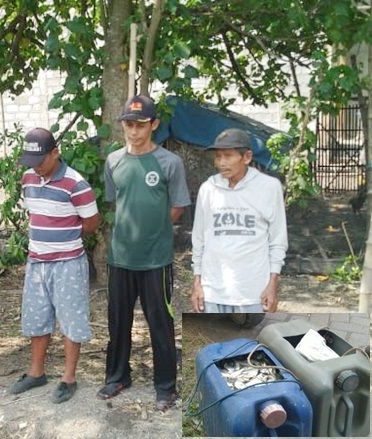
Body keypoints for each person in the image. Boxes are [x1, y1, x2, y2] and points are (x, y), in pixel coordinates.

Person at [101, 95, 191, 411]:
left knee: (160, 323)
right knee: (118, 321)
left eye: (140, 125)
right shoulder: (113, 161)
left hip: (157, 260)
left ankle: (165, 386)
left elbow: (178, 205)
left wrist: (156, 232)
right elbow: (117, 201)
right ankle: (117, 377)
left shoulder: (170, 163)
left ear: (153, 125)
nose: (134, 131)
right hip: (120, 258)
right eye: (128, 124)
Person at [9, 128, 100, 404]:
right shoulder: (28, 178)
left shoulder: (76, 184)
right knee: (37, 318)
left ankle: (68, 378)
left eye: (40, 160)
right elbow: (35, 213)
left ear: (55, 153)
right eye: (30, 161)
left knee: (71, 320)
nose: (36, 167)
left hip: (68, 264)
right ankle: (36, 372)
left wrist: (65, 240)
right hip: (37, 262)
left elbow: (91, 223)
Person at [190, 128, 287, 313]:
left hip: (253, 292)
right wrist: (197, 283)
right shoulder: (208, 189)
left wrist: (273, 284)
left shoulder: (268, 187)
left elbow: (277, 241)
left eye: (228, 156)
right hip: (212, 291)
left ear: (247, 157)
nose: (221, 162)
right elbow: (199, 239)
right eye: (218, 156)